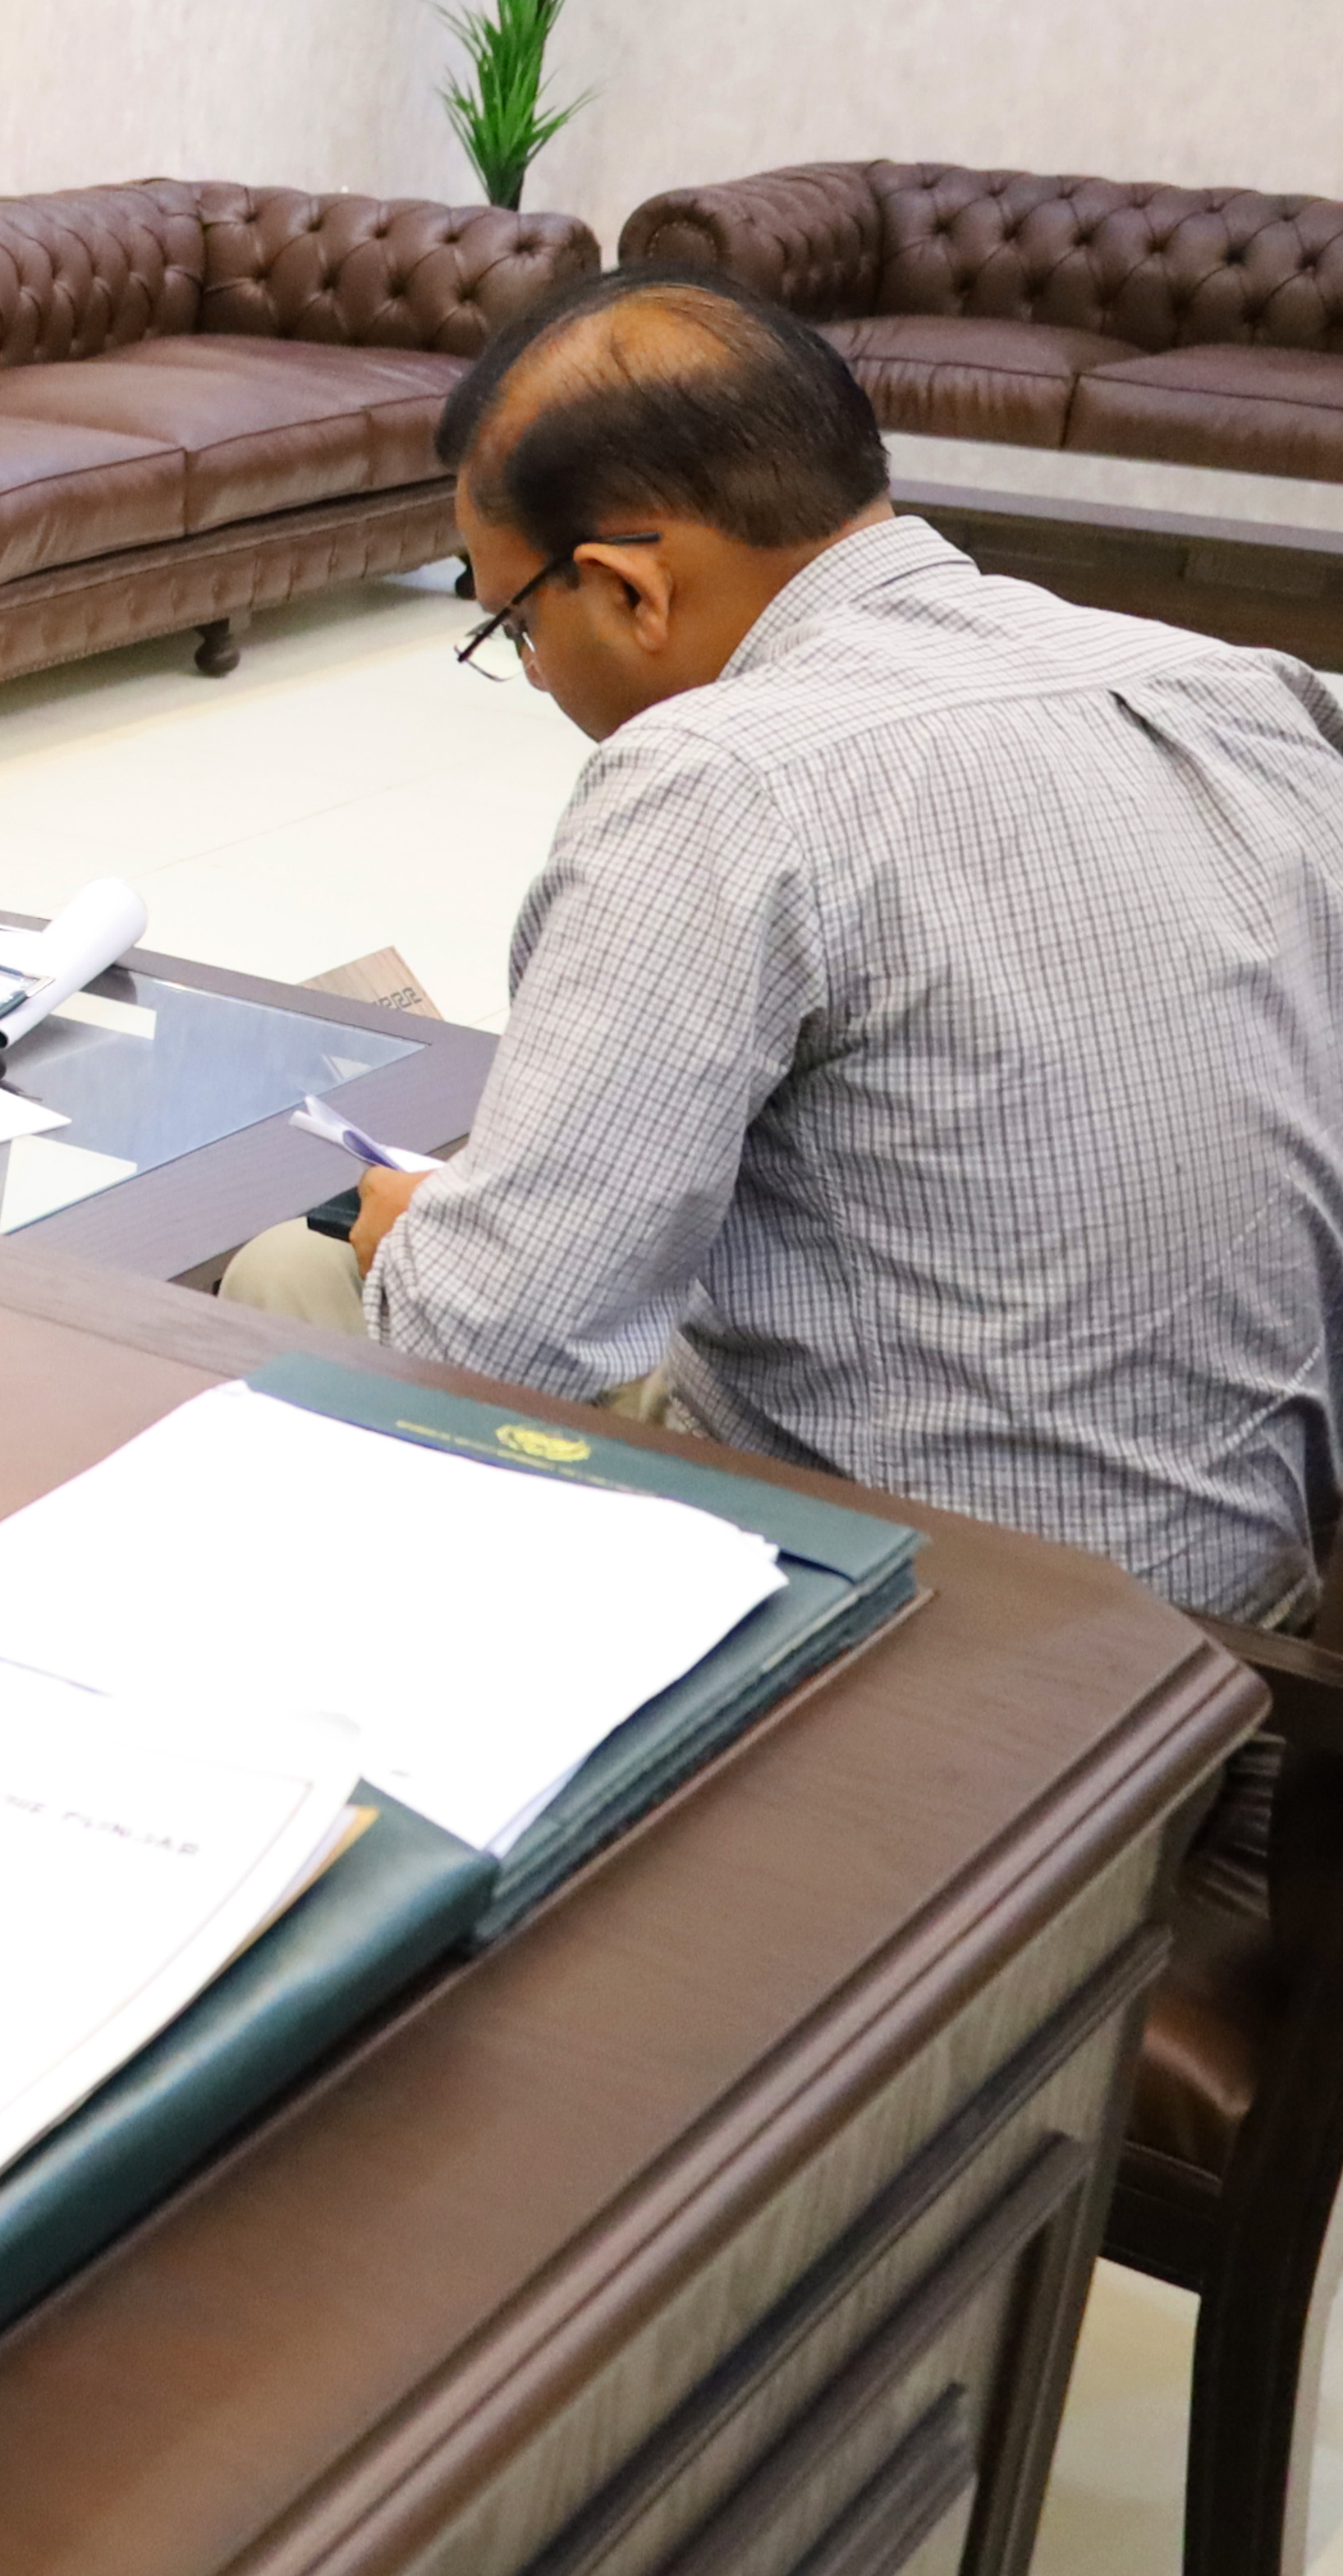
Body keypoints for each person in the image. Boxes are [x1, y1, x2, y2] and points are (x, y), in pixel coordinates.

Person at [222, 263, 1343, 1628]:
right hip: (1248, 1591)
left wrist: (423, 1244)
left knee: (298, 1278)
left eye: (512, 626)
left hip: (939, 1620)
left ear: (628, 589)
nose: (533, 670)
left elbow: (492, 1343)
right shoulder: (1238, 689)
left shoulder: (724, 780)